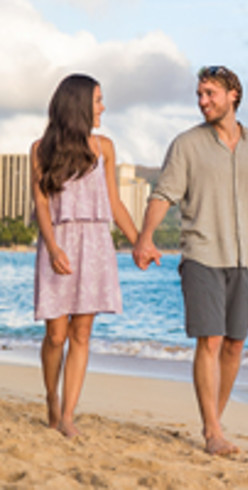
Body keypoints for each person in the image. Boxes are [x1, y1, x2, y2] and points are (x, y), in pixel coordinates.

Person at [133, 65, 248, 455]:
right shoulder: (186, 144)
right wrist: (145, 237)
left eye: (210, 93)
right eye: (199, 94)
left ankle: (213, 421)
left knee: (235, 344)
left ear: (233, 94)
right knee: (211, 339)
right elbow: (163, 194)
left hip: (246, 257)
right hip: (202, 253)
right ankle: (213, 432)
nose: (202, 101)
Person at [31, 74, 140, 438]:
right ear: (78, 104)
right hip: (58, 242)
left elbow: (114, 202)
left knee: (81, 333)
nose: (103, 107)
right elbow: (42, 206)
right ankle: (51, 396)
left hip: (95, 244)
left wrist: (140, 241)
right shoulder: (40, 150)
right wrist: (53, 246)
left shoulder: (105, 147)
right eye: (97, 100)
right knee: (57, 334)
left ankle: (68, 415)